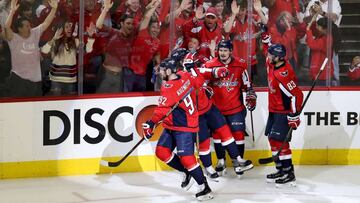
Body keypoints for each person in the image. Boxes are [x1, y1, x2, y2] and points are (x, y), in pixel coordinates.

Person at [142, 58, 213, 201]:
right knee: (161, 152)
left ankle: (204, 187)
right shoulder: (184, 75)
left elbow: (162, 110)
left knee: (187, 158)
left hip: (185, 126)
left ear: (169, 71)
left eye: (162, 69)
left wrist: (151, 123)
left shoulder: (168, 86)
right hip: (172, 124)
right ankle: (186, 171)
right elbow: (199, 82)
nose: (160, 72)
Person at [203, 39, 256, 176]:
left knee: (238, 135)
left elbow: (247, 84)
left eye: (225, 50)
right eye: (220, 50)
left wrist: (250, 94)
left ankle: (238, 163)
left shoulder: (240, 65)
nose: (222, 53)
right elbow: (203, 83)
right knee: (217, 136)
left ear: (231, 51)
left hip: (236, 108)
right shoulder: (210, 65)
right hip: (216, 110)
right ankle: (221, 160)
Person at [261, 30, 304, 186]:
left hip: (283, 112)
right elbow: (267, 50)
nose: (268, 57)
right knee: (272, 138)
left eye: (271, 55)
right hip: (274, 110)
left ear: (279, 58)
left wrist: (294, 116)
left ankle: (289, 172)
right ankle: (280, 168)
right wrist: (266, 42)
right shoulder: (272, 63)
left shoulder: (283, 74)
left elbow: (297, 95)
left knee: (281, 142)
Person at [4, 0, 58, 97]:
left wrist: (54, 9)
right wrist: (12, 11)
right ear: (20, 28)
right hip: (19, 80)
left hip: (36, 80)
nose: (30, 27)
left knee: (35, 108)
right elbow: (6, 27)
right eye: (27, 26)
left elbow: (46, 23)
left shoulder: (34, 33)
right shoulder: (13, 38)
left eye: (30, 25)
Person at [40, 20, 95, 95]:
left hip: (70, 79)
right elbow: (44, 50)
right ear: (61, 29)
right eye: (67, 27)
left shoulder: (75, 41)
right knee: (57, 102)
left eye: (70, 27)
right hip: (56, 79)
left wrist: (90, 36)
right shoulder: (55, 41)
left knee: (68, 102)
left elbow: (88, 50)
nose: (69, 29)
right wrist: (54, 39)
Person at [95, 0, 135, 93]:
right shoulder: (113, 32)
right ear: (121, 23)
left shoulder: (131, 38)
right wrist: (105, 9)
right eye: (128, 23)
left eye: (132, 24)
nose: (131, 26)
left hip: (120, 76)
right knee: (99, 100)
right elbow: (99, 25)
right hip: (106, 74)